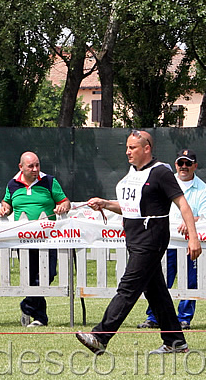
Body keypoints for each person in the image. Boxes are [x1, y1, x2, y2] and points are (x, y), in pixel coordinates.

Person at [77, 130, 201, 355]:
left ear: (147, 148)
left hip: (152, 237)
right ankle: (176, 342)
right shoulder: (133, 173)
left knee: (129, 287)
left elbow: (183, 204)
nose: (127, 152)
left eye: (132, 148)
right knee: (156, 291)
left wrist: (193, 237)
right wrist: (105, 203)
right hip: (134, 238)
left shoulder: (161, 172)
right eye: (127, 147)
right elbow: (130, 207)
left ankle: (100, 337)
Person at [0, 151, 71, 327]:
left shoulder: (49, 181)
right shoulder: (12, 184)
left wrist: (62, 207)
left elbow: (65, 202)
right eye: (31, 166)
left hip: (48, 238)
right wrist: (4, 208)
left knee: (49, 274)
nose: (35, 169)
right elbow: (6, 202)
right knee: (30, 277)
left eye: (37, 165)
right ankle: (40, 318)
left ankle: (27, 304)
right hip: (23, 239)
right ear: (21, 167)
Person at [137, 149, 206, 331]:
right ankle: (154, 316)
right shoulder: (166, 181)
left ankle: (184, 318)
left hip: (190, 242)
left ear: (195, 166)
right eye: (180, 163)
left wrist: (190, 221)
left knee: (191, 281)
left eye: (188, 163)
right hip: (165, 240)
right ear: (175, 165)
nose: (184, 167)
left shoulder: (202, 189)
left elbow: (205, 216)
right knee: (160, 279)